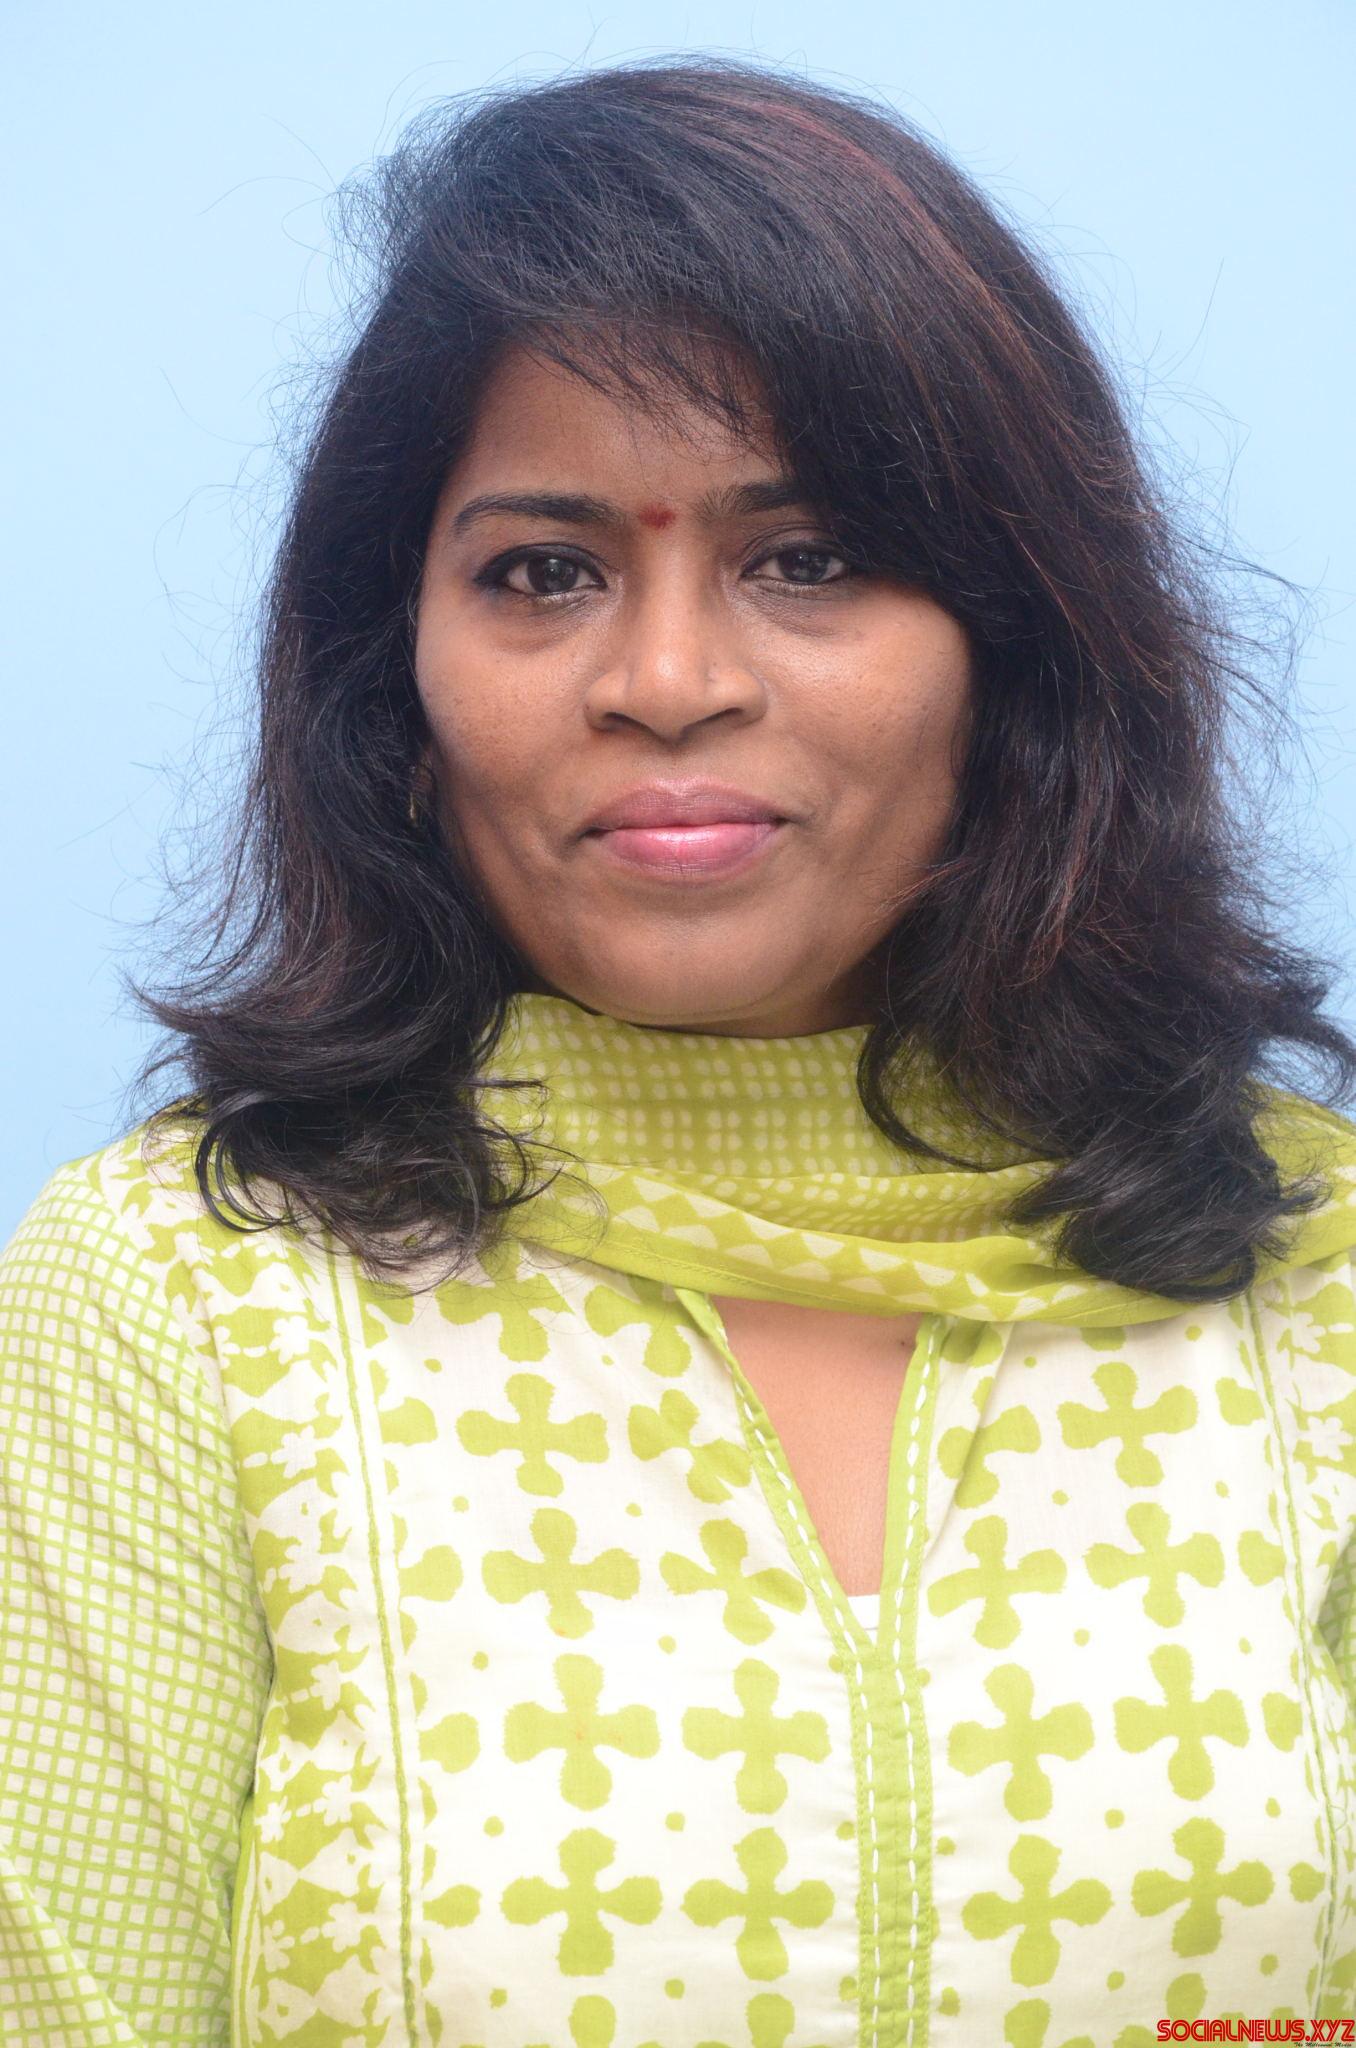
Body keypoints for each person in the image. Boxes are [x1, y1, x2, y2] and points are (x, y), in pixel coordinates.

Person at [2, 55, 1355, 2046]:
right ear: (397, 679)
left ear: (1018, 648)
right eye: (541, 572)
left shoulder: (1314, 1269)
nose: (665, 680)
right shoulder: (178, 1303)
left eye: (807, 558)